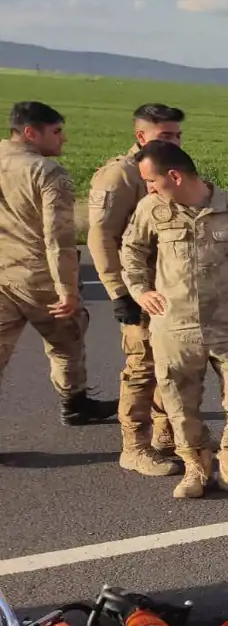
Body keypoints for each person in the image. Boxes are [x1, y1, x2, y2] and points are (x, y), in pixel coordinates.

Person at [120, 141, 228, 500]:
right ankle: (197, 467)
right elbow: (132, 250)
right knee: (179, 406)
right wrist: (139, 290)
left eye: (152, 181)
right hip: (174, 328)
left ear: (174, 176)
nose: (149, 188)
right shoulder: (152, 209)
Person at [0, 101, 118, 429]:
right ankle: (74, 402)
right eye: (56, 131)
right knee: (66, 340)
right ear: (29, 133)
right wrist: (67, 289)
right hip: (39, 276)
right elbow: (59, 239)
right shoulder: (47, 173)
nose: (63, 139)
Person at [87, 103, 187, 477]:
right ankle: (135, 446)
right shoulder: (120, 176)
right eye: (166, 136)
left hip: (169, 289)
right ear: (141, 137)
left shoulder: (172, 168)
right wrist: (118, 292)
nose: (175, 141)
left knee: (170, 364)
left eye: (177, 135)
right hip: (138, 289)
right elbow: (101, 237)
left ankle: (165, 435)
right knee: (142, 366)